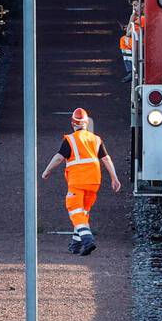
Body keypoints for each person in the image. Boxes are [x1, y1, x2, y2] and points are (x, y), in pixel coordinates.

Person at [41, 108, 121, 256]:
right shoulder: (96, 139)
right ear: (86, 123)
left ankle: (87, 239)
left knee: (74, 210)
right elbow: (106, 159)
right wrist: (114, 177)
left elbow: (59, 157)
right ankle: (76, 244)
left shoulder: (70, 139)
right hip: (94, 182)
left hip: (78, 181)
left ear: (73, 123)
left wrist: (47, 171)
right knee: (83, 212)